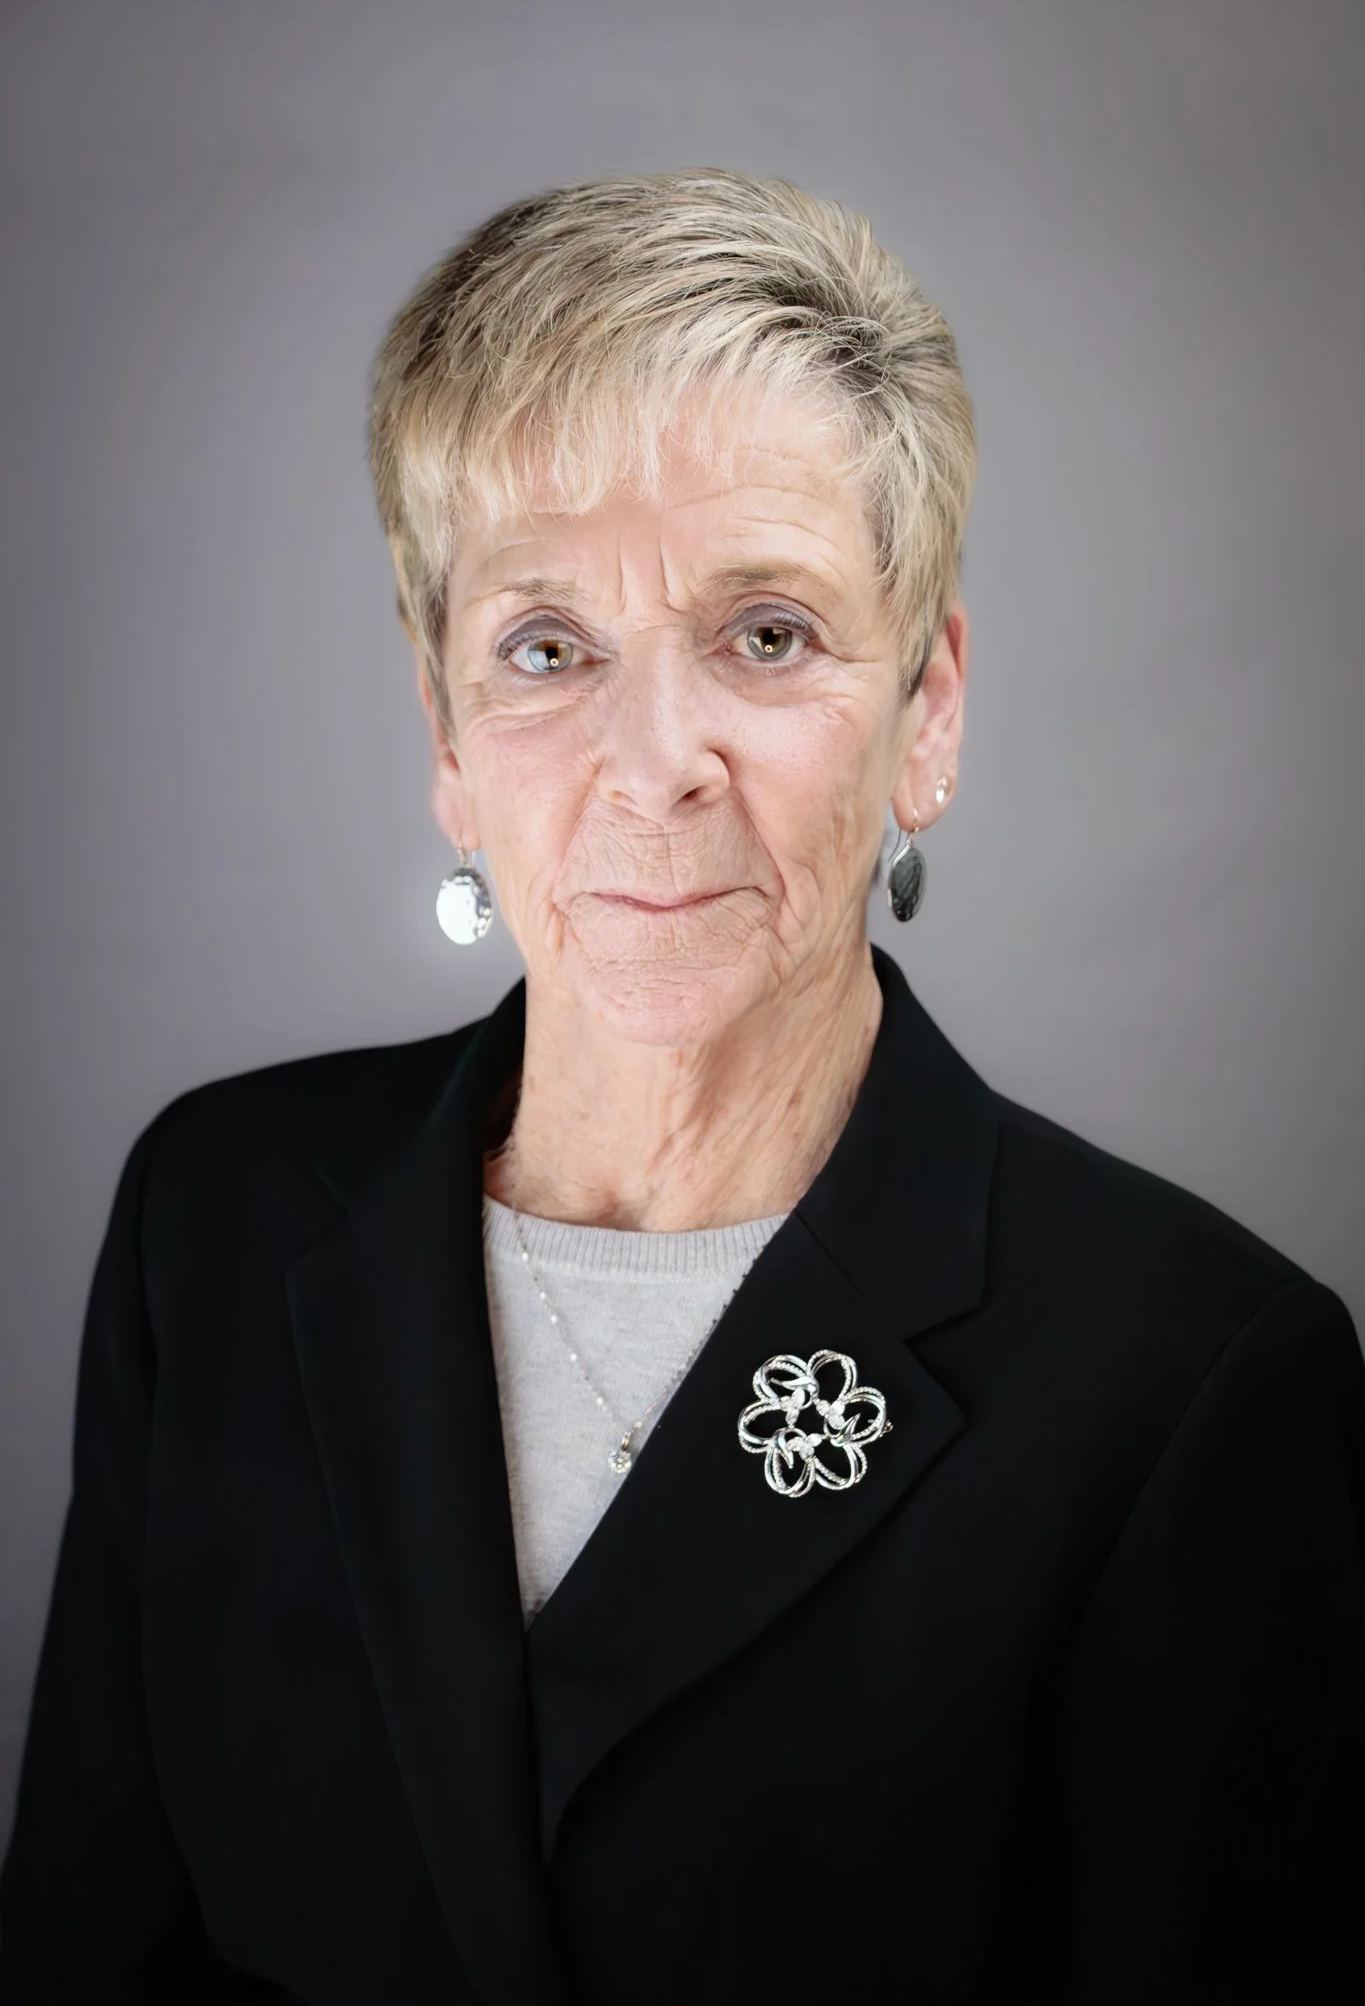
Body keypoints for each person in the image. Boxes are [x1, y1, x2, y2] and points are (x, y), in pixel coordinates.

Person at [2, 167, 1362, 2006]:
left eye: (768, 634)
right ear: (449, 739)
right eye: (548, 650)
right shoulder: (216, 1220)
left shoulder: (1198, 1379)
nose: (656, 768)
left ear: (930, 707)